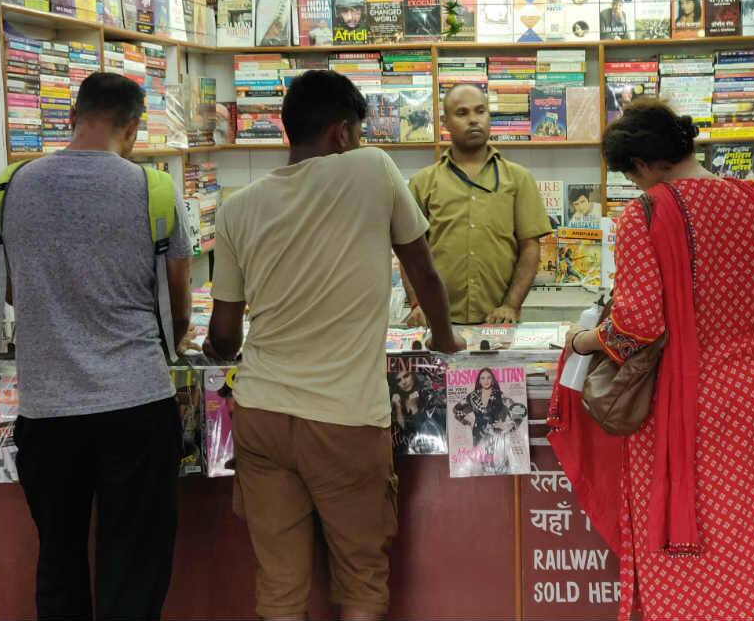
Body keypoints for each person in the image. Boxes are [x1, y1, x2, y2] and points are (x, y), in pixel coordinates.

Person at [201, 70, 463, 621]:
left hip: (263, 415)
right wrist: (445, 338)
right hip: (346, 419)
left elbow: (224, 335)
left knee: (279, 582)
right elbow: (425, 273)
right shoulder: (372, 169)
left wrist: (215, 350)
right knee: (361, 577)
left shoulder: (236, 207)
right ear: (343, 134)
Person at [551, 99, 754, 621]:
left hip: (681, 404)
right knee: (743, 532)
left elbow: (638, 325)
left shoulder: (648, 214)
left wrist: (583, 340)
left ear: (639, 167)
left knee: (686, 538)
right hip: (749, 393)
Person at [0, 72, 192, 620]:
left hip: (47, 410)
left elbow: (12, 289)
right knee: (134, 564)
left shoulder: (10, 187)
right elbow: (177, 309)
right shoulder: (154, 190)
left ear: (72, 116)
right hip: (137, 405)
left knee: (58, 558)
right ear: (133, 125)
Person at [406, 85, 553, 326]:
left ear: (489, 116)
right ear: (445, 122)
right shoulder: (423, 182)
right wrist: (417, 303)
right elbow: (409, 252)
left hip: (497, 322)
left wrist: (511, 305)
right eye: (462, 113)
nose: (473, 120)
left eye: (480, 111)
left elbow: (530, 247)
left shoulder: (518, 178)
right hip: (435, 322)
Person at [452, 368, 527, 475]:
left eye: (488, 377)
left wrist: (506, 425)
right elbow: (456, 410)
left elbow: (518, 410)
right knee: (481, 465)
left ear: (492, 380)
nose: (486, 380)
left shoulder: (500, 395)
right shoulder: (473, 396)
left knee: (499, 465)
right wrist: (469, 422)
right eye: (483, 378)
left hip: (496, 434)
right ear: (479, 381)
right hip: (479, 434)